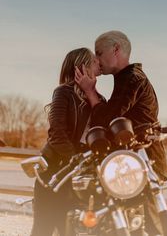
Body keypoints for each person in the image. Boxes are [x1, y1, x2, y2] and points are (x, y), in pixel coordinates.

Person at [75, 30, 167, 235]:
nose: (97, 60)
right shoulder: (127, 79)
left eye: (99, 53)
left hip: (142, 162)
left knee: (151, 227)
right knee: (128, 223)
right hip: (133, 163)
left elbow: (110, 119)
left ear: (115, 49)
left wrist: (90, 92)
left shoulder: (131, 78)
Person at [31, 48, 101, 236]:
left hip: (81, 175)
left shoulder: (99, 99)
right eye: (94, 61)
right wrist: (75, 158)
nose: (99, 63)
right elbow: (57, 134)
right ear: (83, 67)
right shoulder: (63, 92)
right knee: (43, 229)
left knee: (71, 230)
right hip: (55, 171)